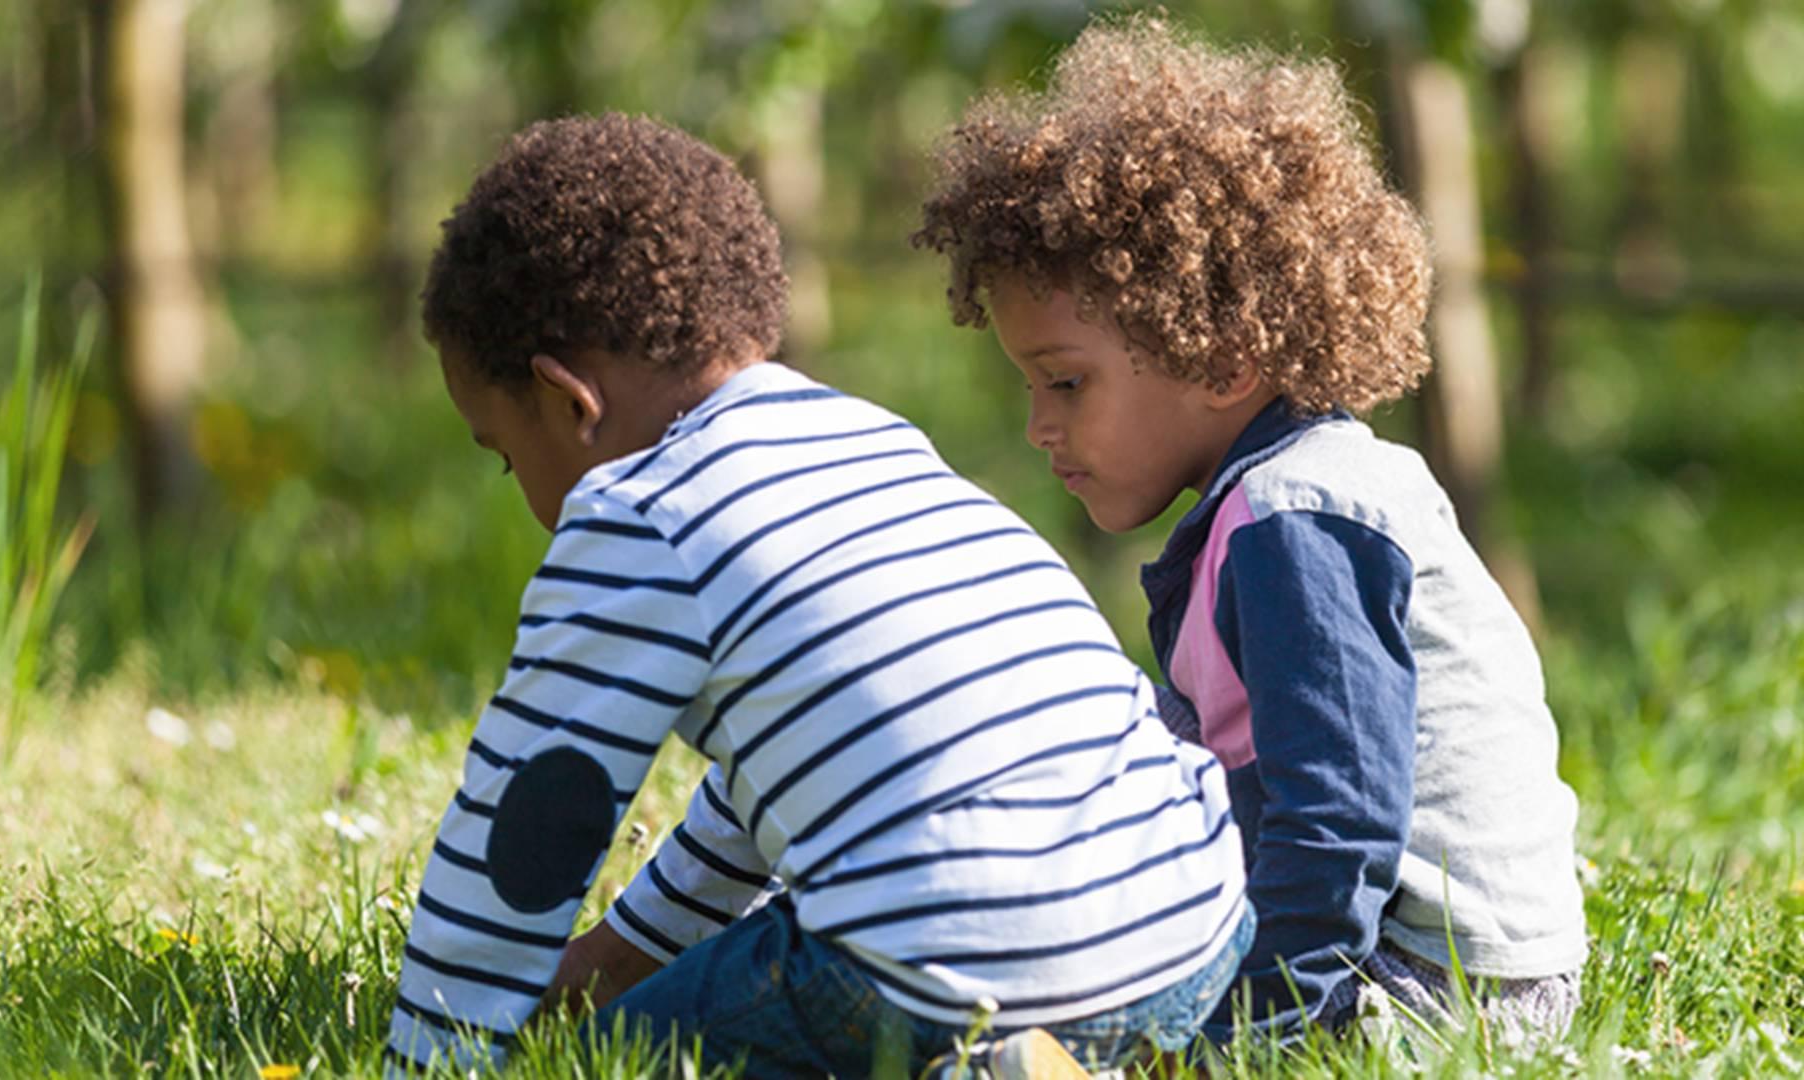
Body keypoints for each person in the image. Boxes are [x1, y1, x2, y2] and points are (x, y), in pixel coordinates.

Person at [386, 111, 1252, 1078]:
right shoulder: (873, 442)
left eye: (508, 457)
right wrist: (621, 953)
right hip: (1192, 923)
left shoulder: (633, 515)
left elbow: (528, 825)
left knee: (603, 1064)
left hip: (947, 960)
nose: (526, 492)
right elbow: (765, 796)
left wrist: (438, 1045)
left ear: (568, 402)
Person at [911, 16, 1586, 1044]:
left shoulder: (1298, 519)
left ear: (1224, 362)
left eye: (1066, 383)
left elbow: (1340, 822)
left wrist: (1252, 1036)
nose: (1040, 427)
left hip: (1429, 986)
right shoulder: (1273, 505)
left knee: (1017, 1036)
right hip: (1398, 957)